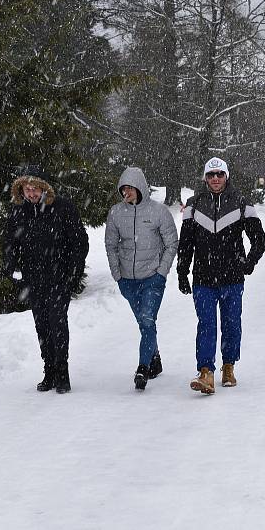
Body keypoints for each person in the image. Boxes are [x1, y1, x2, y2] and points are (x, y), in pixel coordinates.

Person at [177, 157, 265, 394]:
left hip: (232, 278)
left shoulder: (241, 203)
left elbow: (259, 239)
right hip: (203, 279)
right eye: (210, 175)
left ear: (226, 176)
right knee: (206, 325)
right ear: (205, 178)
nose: (215, 178)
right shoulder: (193, 205)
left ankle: (229, 366)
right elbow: (185, 244)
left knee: (231, 324)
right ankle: (206, 372)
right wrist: (181, 272)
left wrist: (249, 263)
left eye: (219, 174)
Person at [3, 165, 89, 394]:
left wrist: (74, 272)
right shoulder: (18, 212)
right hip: (33, 279)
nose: (31, 193)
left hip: (59, 278)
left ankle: (62, 372)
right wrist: (12, 267)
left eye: (35, 189)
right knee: (41, 325)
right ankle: (49, 369)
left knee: (57, 323)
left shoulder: (62, 208)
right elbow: (10, 244)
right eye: (27, 189)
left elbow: (79, 242)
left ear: (44, 189)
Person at [105, 167, 178, 391]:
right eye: (123, 189)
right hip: (128, 280)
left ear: (140, 188)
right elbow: (111, 245)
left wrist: (161, 272)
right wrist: (118, 275)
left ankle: (142, 368)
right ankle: (154, 359)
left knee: (147, 321)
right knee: (144, 323)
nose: (126, 192)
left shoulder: (159, 212)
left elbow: (171, 243)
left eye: (130, 188)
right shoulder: (116, 213)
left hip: (152, 278)